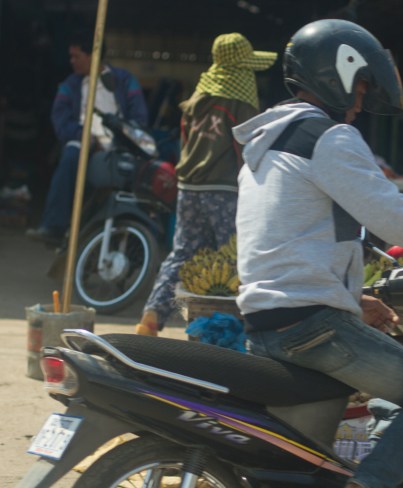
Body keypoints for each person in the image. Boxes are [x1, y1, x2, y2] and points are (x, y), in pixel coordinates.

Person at [233, 19, 403, 488]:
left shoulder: (268, 143)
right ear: (334, 73)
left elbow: (289, 241)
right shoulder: (327, 137)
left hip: (266, 324)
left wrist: (351, 300)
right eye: (360, 88)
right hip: (311, 329)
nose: (360, 103)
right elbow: (393, 215)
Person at [135, 33, 277, 336]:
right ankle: (230, 332)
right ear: (240, 67)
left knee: (182, 254)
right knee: (232, 256)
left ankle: (151, 317)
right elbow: (247, 150)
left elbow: (184, 143)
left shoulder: (196, 99)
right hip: (224, 189)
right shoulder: (239, 101)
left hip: (188, 188)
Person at [27, 30, 148, 244]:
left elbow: (139, 118)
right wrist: (84, 135)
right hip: (83, 141)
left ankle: (128, 236)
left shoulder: (123, 80)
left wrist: (120, 138)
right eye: (71, 56)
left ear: (93, 55)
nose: (72, 61)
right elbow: (60, 120)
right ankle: (54, 226)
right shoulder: (70, 85)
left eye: (77, 56)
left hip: (119, 144)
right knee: (70, 157)